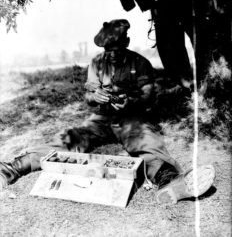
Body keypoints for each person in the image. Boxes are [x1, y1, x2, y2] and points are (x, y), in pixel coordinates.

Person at [0, 19, 215, 205]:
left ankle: (169, 180)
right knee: (72, 137)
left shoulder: (140, 63)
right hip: (102, 118)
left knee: (145, 141)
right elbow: (88, 94)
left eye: (117, 48)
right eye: (107, 50)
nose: (111, 54)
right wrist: (94, 97)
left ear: (127, 43)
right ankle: (15, 166)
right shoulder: (96, 63)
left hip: (132, 118)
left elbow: (149, 96)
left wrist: (130, 101)